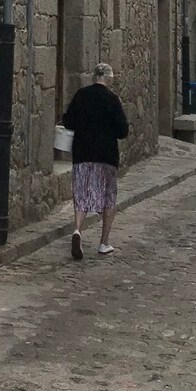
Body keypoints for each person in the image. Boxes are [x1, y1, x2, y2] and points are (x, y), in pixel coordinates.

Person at [61, 62, 129, 260]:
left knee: (81, 194)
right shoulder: (113, 99)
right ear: (108, 79)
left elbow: (68, 121)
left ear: (94, 77)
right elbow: (122, 131)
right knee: (108, 196)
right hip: (106, 156)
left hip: (82, 153)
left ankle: (77, 230)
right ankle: (104, 242)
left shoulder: (81, 95)